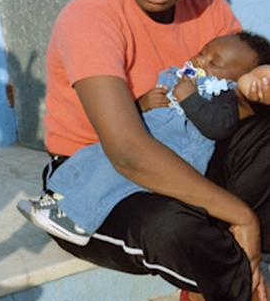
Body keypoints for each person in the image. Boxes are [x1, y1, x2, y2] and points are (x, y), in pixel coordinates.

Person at [39, 0, 270, 301]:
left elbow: (236, 117)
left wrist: (259, 84)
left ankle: (210, 287)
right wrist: (242, 216)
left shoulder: (212, 11)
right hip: (98, 177)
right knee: (171, 224)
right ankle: (239, 295)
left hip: (188, 156)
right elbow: (126, 152)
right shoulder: (91, 16)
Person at [20, 31, 270, 244]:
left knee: (111, 174)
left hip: (173, 153)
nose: (199, 60)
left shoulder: (223, 97)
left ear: (233, 81)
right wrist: (143, 104)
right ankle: (60, 198)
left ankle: (78, 221)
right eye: (202, 52)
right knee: (90, 156)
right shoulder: (182, 78)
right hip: (142, 137)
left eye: (214, 63)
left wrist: (189, 98)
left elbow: (217, 127)